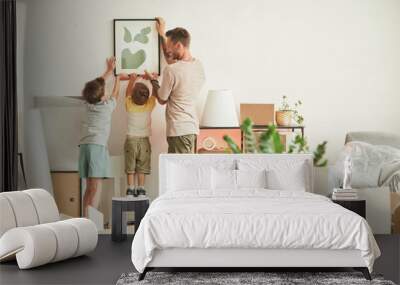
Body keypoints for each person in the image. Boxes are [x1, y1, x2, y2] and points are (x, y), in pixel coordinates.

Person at [148, 17, 206, 153]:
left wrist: (153, 81)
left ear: (179, 45)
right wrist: (161, 33)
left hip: (178, 129)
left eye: (170, 46)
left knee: (180, 172)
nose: (168, 50)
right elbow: (171, 59)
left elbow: (162, 99)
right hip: (191, 128)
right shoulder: (198, 66)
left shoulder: (172, 70)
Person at [79, 57, 123, 217]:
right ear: (102, 96)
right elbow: (116, 94)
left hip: (85, 146)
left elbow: (96, 87)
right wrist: (117, 77)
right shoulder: (106, 108)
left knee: (89, 186)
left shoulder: (88, 103)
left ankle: (85, 216)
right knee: (94, 186)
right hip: (97, 147)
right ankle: (88, 219)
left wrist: (109, 71)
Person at [124, 74, 157, 197]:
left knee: (130, 165)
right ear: (146, 98)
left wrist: (132, 79)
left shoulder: (129, 104)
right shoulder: (149, 106)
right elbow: (154, 95)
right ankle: (141, 189)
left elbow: (127, 93)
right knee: (142, 165)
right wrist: (153, 80)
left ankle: (130, 189)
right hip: (144, 140)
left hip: (131, 139)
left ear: (132, 96)